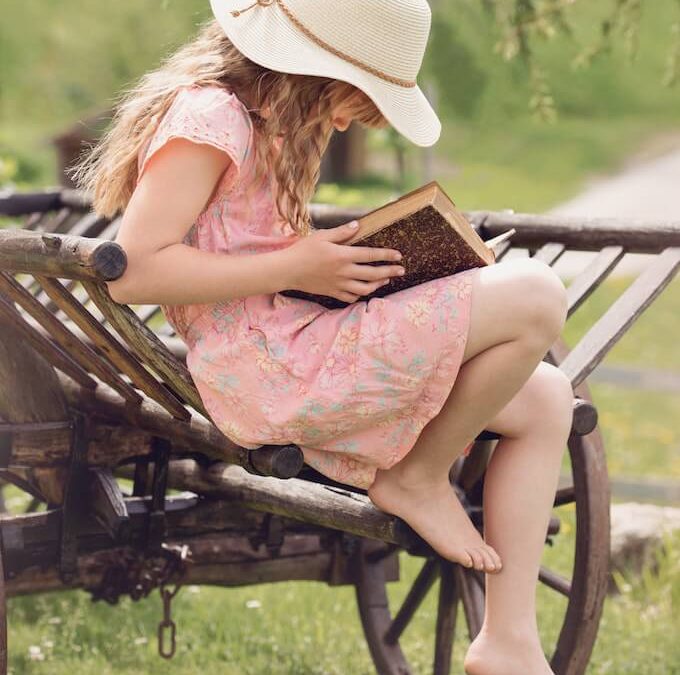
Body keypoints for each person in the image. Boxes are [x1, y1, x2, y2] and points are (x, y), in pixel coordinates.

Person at [75, 1, 573, 672]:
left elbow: (246, 249)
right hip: (268, 372)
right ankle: (417, 474)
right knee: (536, 291)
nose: (343, 120)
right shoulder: (212, 117)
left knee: (547, 398)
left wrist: (338, 267)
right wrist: (299, 263)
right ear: (312, 66)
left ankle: (508, 640)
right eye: (353, 99)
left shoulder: (273, 122)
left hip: (301, 341)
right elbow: (131, 271)